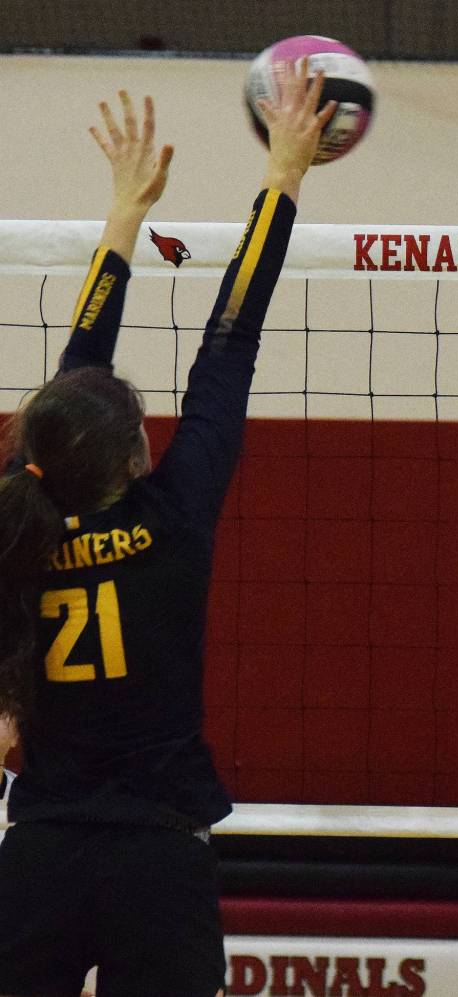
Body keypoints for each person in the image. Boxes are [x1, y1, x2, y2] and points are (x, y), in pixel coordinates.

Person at [0, 63, 337, 997]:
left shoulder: (26, 519)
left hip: (39, 857)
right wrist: (283, 179)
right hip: (156, 860)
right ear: (135, 461)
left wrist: (124, 212)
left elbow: (79, 376)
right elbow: (233, 337)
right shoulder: (175, 518)